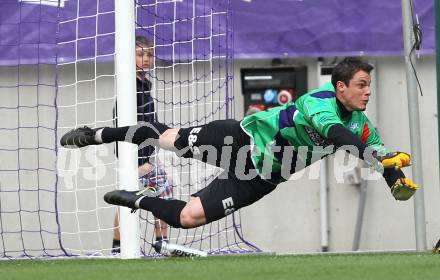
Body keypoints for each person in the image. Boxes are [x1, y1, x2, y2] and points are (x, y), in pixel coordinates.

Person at [61, 57, 419, 231]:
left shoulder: (363, 126)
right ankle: (98, 134)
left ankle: (138, 200)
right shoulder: (319, 102)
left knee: (189, 218)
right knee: (165, 138)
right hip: (242, 141)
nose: (367, 91)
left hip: (261, 177)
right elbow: (340, 138)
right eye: (361, 84)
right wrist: (376, 156)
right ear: (340, 87)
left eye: (369, 85)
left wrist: (395, 182)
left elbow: (382, 157)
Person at [111, 36, 172, 253]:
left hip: (144, 155)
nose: (146, 59)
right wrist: (137, 163)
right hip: (134, 156)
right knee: (152, 193)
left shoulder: (144, 83)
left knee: (146, 194)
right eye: (140, 54)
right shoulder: (130, 86)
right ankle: (157, 243)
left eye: (149, 54)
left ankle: (123, 247)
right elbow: (121, 124)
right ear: (129, 57)